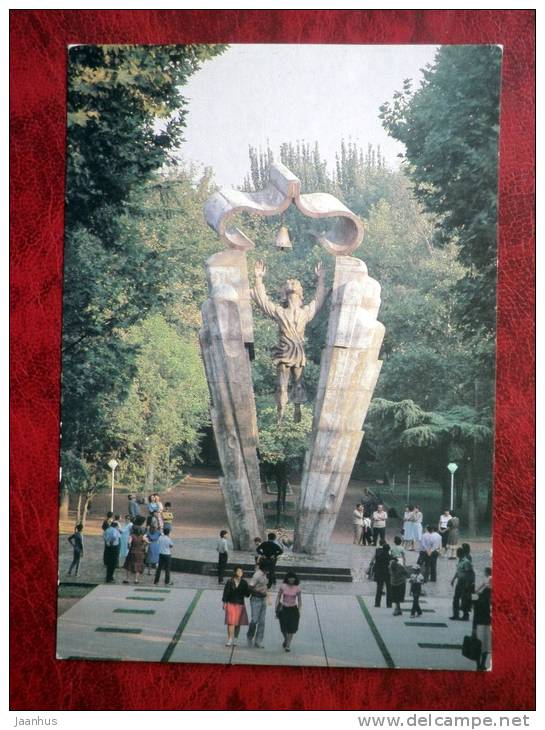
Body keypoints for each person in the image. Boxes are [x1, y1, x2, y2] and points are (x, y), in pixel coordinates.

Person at [251, 259, 328, 423]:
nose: (293, 285)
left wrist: (321, 279)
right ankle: (280, 412)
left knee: (299, 383)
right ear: (285, 294)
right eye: (290, 286)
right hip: (285, 351)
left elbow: (319, 300)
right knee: (282, 386)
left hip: (298, 351)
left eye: (296, 285)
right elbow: (263, 301)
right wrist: (258, 278)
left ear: (300, 294)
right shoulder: (280, 311)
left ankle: (297, 408)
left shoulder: (305, 313)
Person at [222, 566, 250, 646]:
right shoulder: (230, 582)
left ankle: (236, 638)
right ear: (235, 572)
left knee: (238, 623)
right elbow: (226, 593)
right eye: (238, 571)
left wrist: (250, 589)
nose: (240, 573)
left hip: (240, 604)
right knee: (231, 622)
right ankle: (230, 638)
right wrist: (224, 603)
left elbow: (247, 594)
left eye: (241, 571)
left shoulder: (244, 582)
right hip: (231, 603)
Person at [276, 571, 302, 652]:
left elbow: (300, 600)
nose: (291, 579)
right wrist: (276, 607)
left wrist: (299, 610)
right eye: (290, 578)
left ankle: (288, 645)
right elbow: (278, 597)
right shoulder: (283, 586)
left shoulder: (297, 588)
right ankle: (286, 639)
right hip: (284, 608)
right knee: (283, 628)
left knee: (292, 628)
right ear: (287, 578)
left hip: (293, 608)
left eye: (293, 578)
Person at [246, 557, 269, 648]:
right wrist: (258, 594)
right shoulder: (257, 575)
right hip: (256, 600)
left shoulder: (265, 574)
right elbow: (250, 587)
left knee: (262, 621)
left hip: (263, 600)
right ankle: (250, 635)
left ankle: (258, 641)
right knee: (254, 620)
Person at [450, 546, 475, 621]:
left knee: (465, 599)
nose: (457, 554)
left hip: (465, 583)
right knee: (456, 598)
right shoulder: (460, 561)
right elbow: (458, 571)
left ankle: (465, 615)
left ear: (461, 553)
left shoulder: (466, 562)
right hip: (459, 582)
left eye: (458, 553)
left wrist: (468, 583)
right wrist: (453, 579)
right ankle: (455, 614)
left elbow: (469, 573)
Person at [472, 584, 491, 670]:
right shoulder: (488, 604)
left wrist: (473, 629)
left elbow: (475, 617)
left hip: (478, 625)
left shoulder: (478, 601)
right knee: (485, 647)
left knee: (478, 647)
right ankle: (482, 664)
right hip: (486, 626)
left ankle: (478, 665)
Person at [373, 542, 392, 608]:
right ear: (388, 550)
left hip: (379, 573)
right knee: (389, 589)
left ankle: (377, 603)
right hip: (387, 574)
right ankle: (389, 604)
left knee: (379, 588)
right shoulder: (388, 556)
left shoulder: (378, 555)